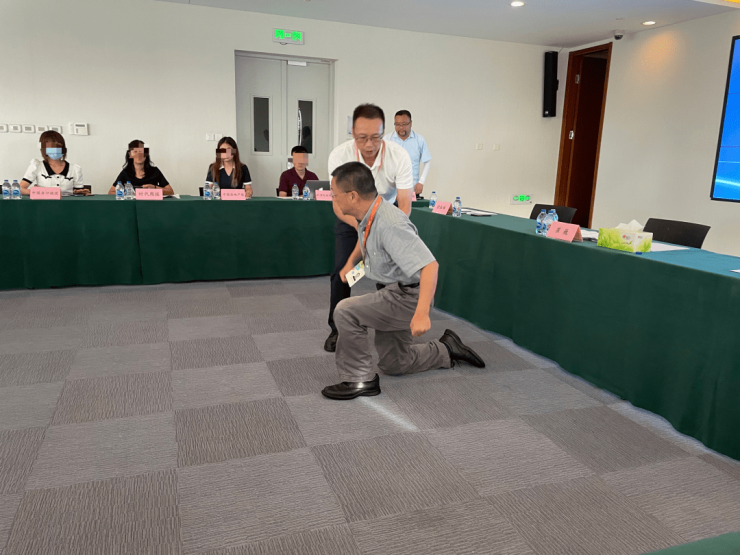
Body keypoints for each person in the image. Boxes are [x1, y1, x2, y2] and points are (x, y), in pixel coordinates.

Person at [321, 162, 484, 400]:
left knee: (345, 311)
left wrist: (422, 314)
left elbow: (430, 266)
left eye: (334, 195)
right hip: (393, 291)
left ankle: (359, 380)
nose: (333, 199)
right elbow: (365, 239)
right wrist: (350, 264)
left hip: (407, 297)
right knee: (395, 364)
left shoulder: (390, 224)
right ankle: (447, 348)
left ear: (353, 196)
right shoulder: (368, 214)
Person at [323, 103, 414, 353]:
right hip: (351, 219)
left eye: (376, 137)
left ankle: (391, 329)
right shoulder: (340, 155)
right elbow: (338, 204)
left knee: (391, 274)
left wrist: (387, 228)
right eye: (362, 137)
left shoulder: (399, 156)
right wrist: (362, 227)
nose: (370, 144)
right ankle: (337, 329)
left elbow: (405, 202)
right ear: (353, 133)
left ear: (384, 132)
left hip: (386, 220)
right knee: (344, 270)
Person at [20, 130, 87, 196]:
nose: (55, 150)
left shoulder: (75, 169)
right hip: (45, 202)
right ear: (44, 148)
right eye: (51, 147)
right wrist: (41, 192)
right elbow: (20, 189)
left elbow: (78, 193)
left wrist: (82, 192)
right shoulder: (37, 166)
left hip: (68, 203)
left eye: (58, 146)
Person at [386, 110, 431, 197]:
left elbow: (427, 162)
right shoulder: (387, 140)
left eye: (404, 124)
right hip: (391, 191)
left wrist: (421, 182)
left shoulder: (419, 140)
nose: (401, 127)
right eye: (397, 124)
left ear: (410, 123)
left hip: (412, 190)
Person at [108, 140, 174, 195]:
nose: (139, 155)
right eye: (135, 152)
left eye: (141, 151)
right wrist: (127, 193)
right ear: (130, 154)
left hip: (151, 204)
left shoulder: (154, 171)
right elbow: (111, 192)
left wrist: (155, 188)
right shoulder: (126, 172)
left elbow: (171, 192)